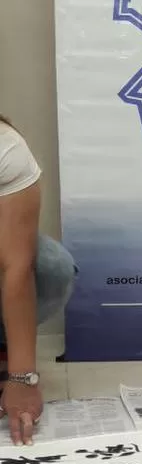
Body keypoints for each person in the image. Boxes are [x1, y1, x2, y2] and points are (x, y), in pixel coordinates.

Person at [0, 118, 76, 445]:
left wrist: (22, 378)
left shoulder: (6, 147)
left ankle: (4, 346)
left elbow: (16, 266)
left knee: (51, 267)